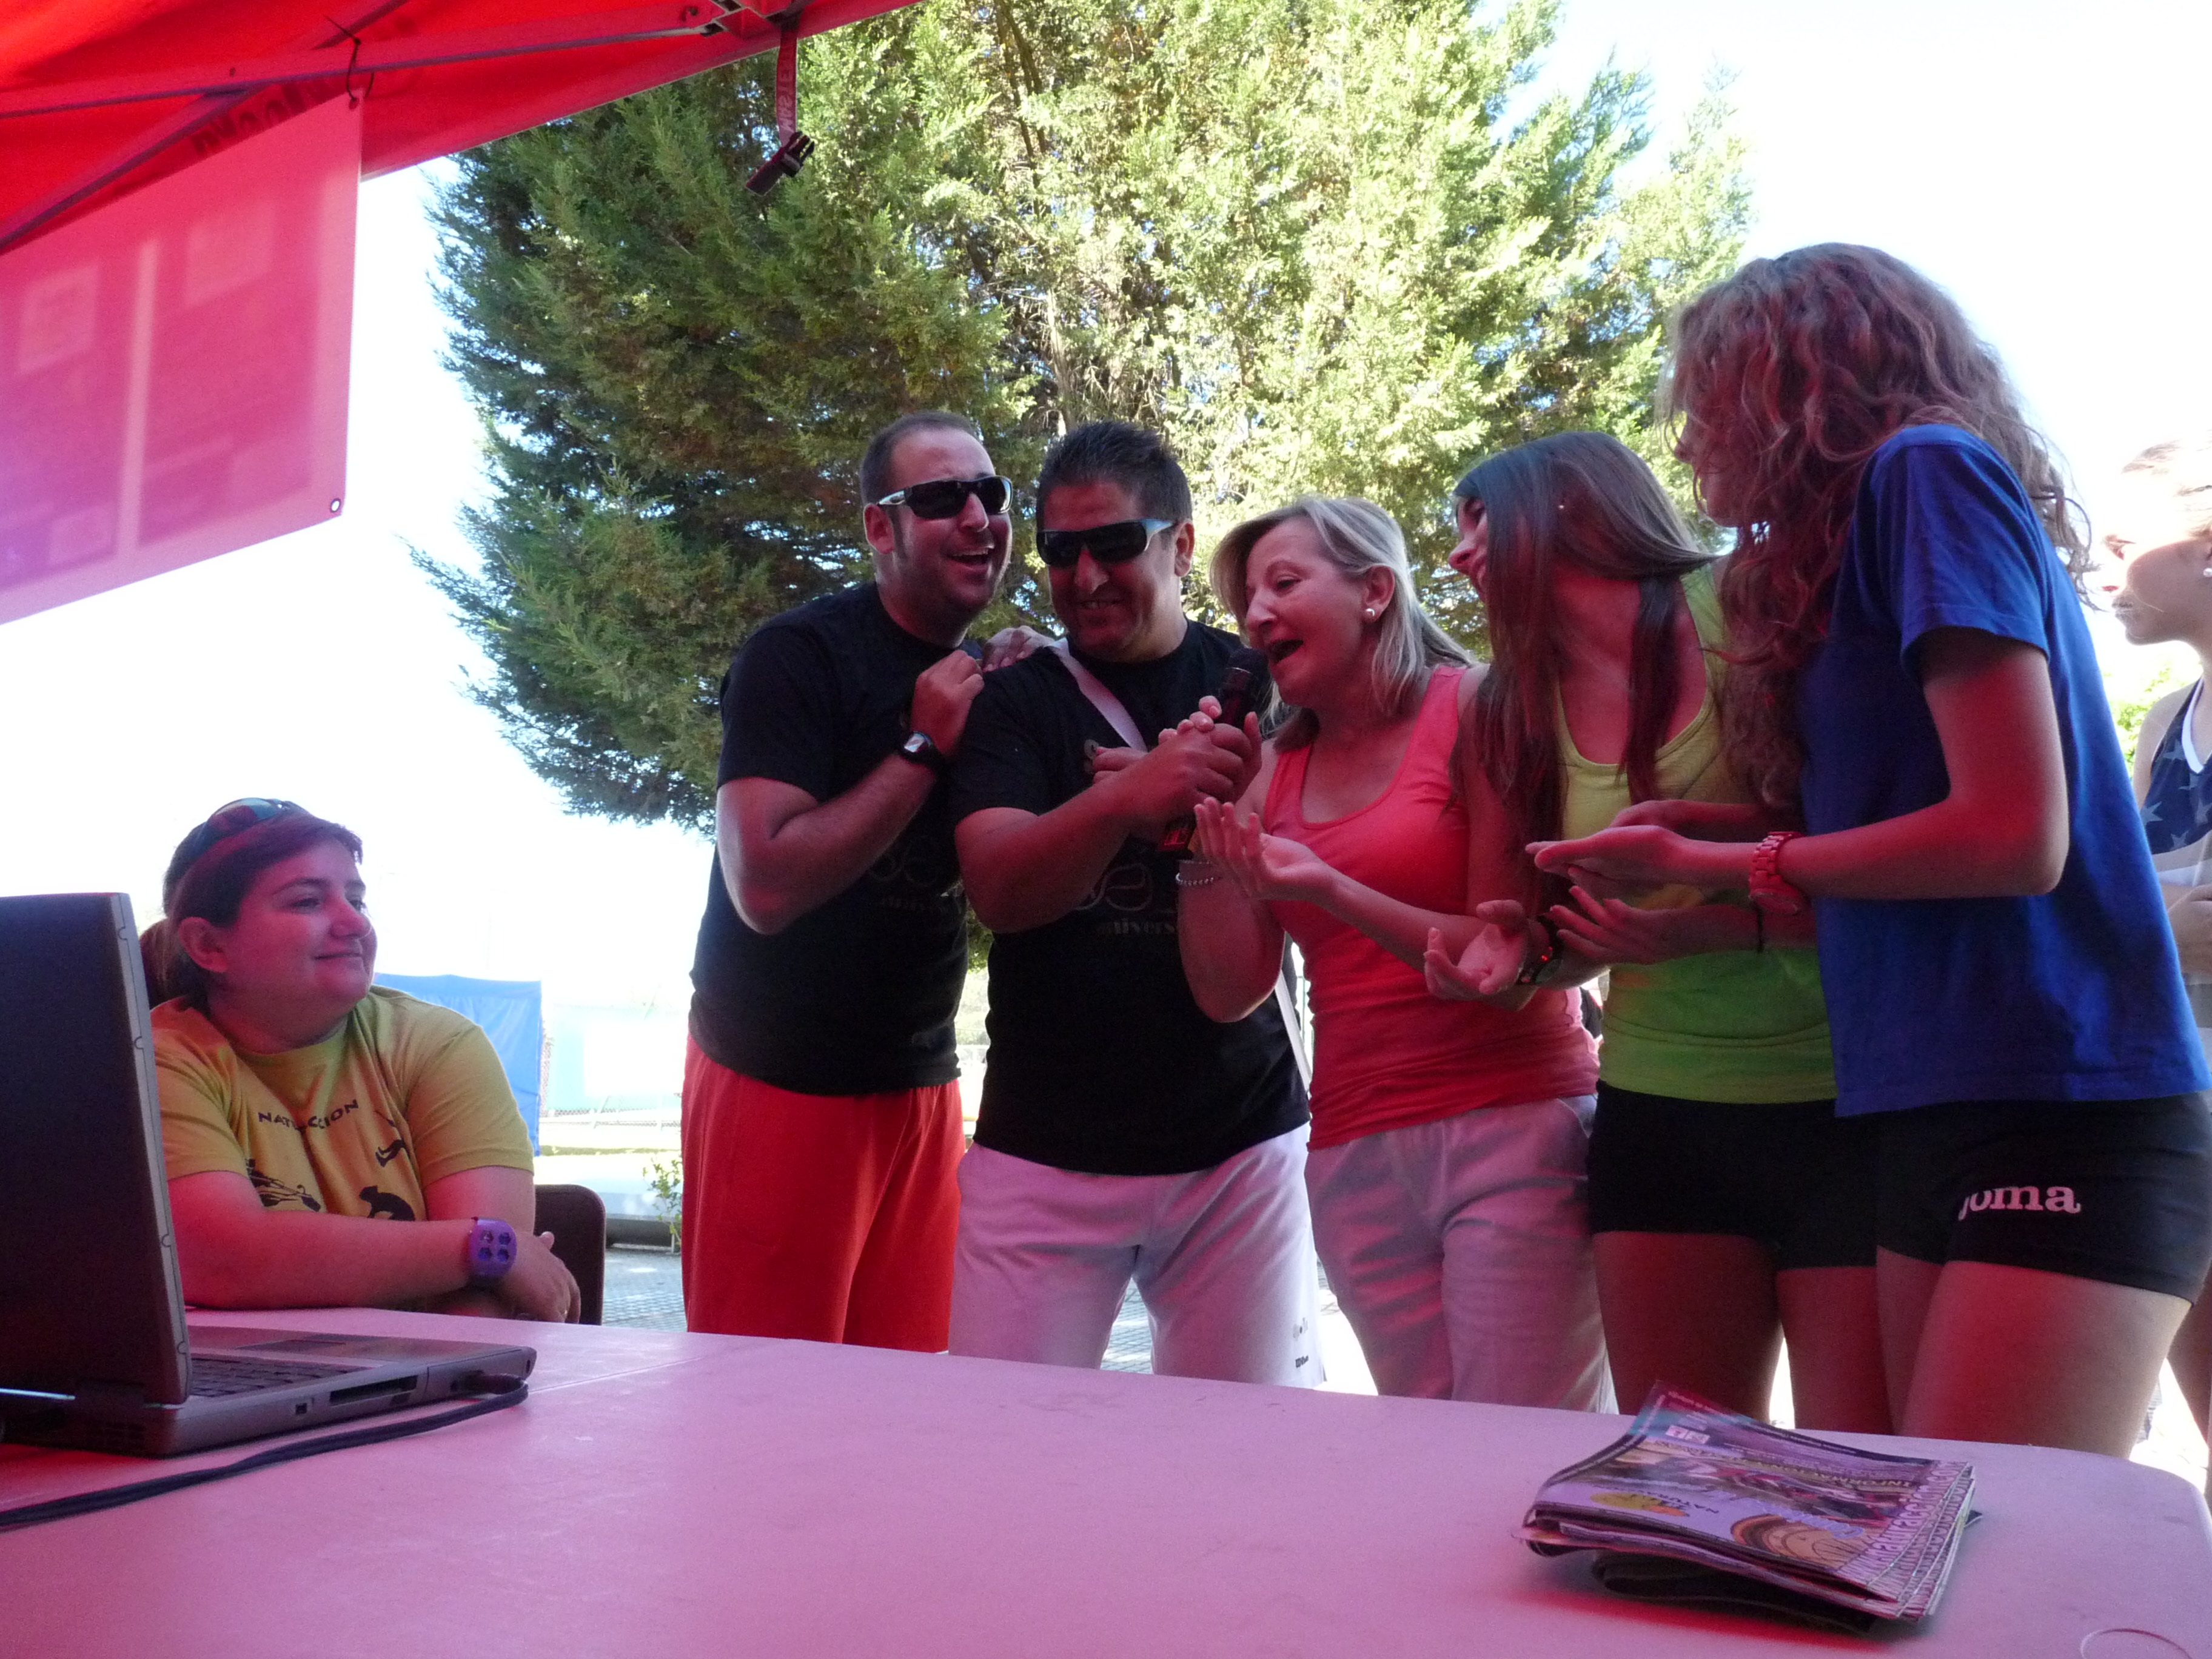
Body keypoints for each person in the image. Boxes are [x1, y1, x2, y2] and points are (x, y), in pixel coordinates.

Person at [1533, 245, 2211, 1455]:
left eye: (1702, 400)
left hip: (2063, 1093)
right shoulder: (1846, 553)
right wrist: (1706, 835)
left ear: (1791, 383)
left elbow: (2013, 835)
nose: (1684, 441)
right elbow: (1890, 840)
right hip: (1914, 1102)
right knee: (1905, 1522)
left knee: (1989, 1532)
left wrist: (1740, 866)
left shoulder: (1926, 470)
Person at [1426, 432, 1885, 1430]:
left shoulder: (1748, 608)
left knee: (1865, 1470)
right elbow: (1547, 943)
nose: (1458, 554)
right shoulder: (1506, 706)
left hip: (1846, 1096)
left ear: (1568, 504)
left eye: (1478, 519)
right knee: (1685, 1473)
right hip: (1661, 1112)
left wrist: (1712, 926)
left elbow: (1886, 856)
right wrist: (1515, 952)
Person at [1178, 495, 1606, 1407]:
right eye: (1247, 600)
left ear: (1375, 590)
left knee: (1520, 1440)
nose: (1255, 617)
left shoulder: (1477, 706)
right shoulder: (1269, 769)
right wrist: (1200, 828)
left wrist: (1331, 889)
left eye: (1283, 584)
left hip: (1512, 1126)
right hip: (1355, 1153)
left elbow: (1502, 956)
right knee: (1424, 1448)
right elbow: (1226, 991)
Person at [948, 420, 1316, 1384]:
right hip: (1043, 1153)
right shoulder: (1017, 699)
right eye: (1061, 551)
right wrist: (1124, 800)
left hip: (1239, 1151)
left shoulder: (1266, 685)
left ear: (1180, 545)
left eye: (1114, 544)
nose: (1085, 577)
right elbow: (1000, 889)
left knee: (1237, 1451)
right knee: (999, 1445)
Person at [683, 409, 1020, 1352]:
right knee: (764, 1403)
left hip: (920, 1085)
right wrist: (922, 748)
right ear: (881, 526)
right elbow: (764, 885)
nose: (977, 517)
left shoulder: (991, 676)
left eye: (990, 494)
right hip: (778, 1080)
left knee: (905, 1403)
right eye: (941, 497)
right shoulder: (800, 655)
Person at [145, 799, 579, 1321]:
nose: (354, 922)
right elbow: (222, 1260)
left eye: (356, 899)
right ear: (207, 945)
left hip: (434, 1363)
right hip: (242, 1368)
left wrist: (481, 1274)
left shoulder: (436, 1043)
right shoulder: (161, 1059)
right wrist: (478, 1248)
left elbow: (483, 1301)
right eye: (307, 901)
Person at [2107, 432, 2212, 1458]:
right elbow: (2149, 911)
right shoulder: (2163, 722)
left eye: (2123, 545)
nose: (2103, 574)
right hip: (2180, 1094)